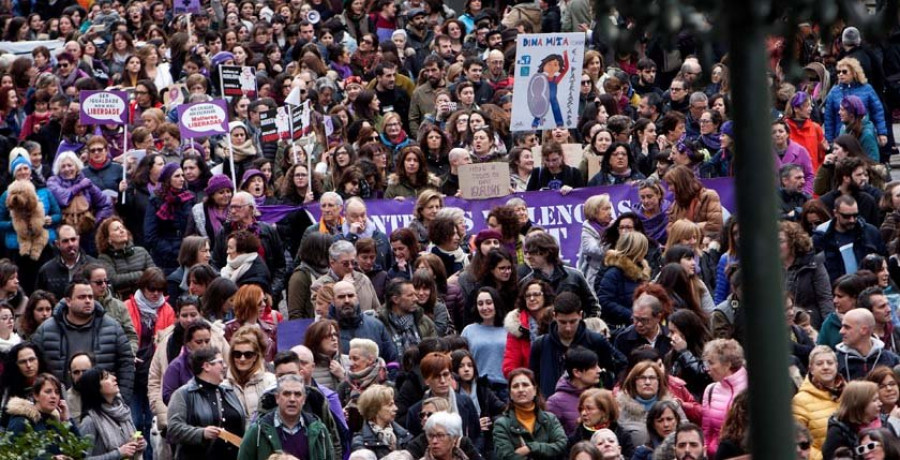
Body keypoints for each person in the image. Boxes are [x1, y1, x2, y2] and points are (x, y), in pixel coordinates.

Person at [31, 278, 135, 399]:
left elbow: (126, 364)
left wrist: (122, 399)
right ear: (68, 301)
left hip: (103, 404)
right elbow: (34, 368)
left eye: (90, 297)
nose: (88, 301)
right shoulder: (46, 330)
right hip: (60, 404)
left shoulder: (112, 327)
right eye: (82, 297)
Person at [530, 292, 625, 398]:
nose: (568, 328)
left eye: (573, 321)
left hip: (590, 406)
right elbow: (533, 379)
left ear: (580, 315)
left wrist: (612, 389)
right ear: (554, 316)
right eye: (563, 322)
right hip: (551, 406)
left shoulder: (596, 341)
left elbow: (621, 364)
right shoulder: (541, 345)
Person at [167, 346, 246, 460]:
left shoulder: (229, 392)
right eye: (220, 362)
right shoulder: (184, 394)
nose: (224, 366)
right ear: (207, 366)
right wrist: (201, 433)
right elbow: (174, 429)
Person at [237, 374, 335, 460]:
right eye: (286, 394)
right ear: (277, 398)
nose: (292, 399)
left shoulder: (319, 431)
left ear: (304, 399)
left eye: (297, 394)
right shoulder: (258, 431)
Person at [210, 191, 285, 299]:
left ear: (250, 208)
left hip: (265, 295)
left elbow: (280, 266)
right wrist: (227, 288)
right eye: (231, 207)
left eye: (237, 207)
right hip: (233, 296)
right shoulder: (224, 232)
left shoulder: (267, 231)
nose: (233, 211)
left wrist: (271, 292)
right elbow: (215, 264)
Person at [492, 368, 568, 460]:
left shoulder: (550, 419)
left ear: (535, 390)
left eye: (525, 385)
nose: (520, 389)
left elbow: (562, 445)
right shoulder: (502, 424)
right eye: (515, 386)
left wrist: (530, 447)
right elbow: (506, 456)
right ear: (510, 394)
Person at [520, 232, 600, 318]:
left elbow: (593, 307)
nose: (528, 257)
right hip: (542, 330)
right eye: (526, 253)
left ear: (546, 252)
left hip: (573, 328)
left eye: (532, 253)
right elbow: (522, 313)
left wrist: (585, 327)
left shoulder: (574, 276)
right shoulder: (526, 283)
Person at [75, 368, 147, 460]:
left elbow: (131, 443)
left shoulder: (122, 411)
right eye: (106, 377)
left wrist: (141, 444)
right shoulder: (90, 421)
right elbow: (82, 458)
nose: (114, 378)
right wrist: (118, 453)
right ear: (95, 387)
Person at [812, 195, 886, 283]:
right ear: (835, 213)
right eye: (846, 216)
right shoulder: (822, 238)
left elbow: (883, 260)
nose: (852, 220)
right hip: (837, 291)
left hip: (867, 288)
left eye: (855, 215)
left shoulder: (870, 233)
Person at [615, 361, 688, 448]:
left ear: (659, 381)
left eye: (652, 378)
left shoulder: (672, 405)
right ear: (634, 381)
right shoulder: (620, 408)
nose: (647, 382)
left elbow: (687, 433)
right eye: (642, 378)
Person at [5, 373, 80, 454]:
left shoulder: (54, 422)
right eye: (48, 392)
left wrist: (67, 420)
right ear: (36, 395)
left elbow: (79, 452)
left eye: (57, 392)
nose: (54, 396)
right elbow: (12, 454)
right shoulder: (20, 420)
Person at [781, 221, 835, 330]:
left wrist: (829, 328)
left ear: (793, 242)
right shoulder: (769, 267)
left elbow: (825, 298)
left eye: (780, 241)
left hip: (809, 325)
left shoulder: (813, 263)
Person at [328, 281, 398, 363]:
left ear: (357, 297)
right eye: (341, 297)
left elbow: (392, 359)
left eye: (350, 296)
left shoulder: (376, 326)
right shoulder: (325, 330)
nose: (347, 300)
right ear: (332, 301)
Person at [700, 338, 748, 458]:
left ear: (727, 364)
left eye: (711, 363)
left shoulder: (751, 389)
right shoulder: (710, 390)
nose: (707, 369)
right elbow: (706, 430)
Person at [595, 232, 651, 330]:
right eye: (643, 249)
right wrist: (631, 315)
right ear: (635, 250)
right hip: (619, 328)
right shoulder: (614, 273)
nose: (646, 252)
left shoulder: (642, 271)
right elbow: (604, 301)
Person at [821, 381, 891, 459]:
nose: (880, 403)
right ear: (860, 404)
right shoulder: (838, 432)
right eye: (874, 400)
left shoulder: (885, 423)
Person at [502, 279, 554, 378]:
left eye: (536, 294)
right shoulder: (517, 326)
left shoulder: (556, 321)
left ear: (545, 296)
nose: (532, 298)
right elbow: (510, 366)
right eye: (528, 296)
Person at [312, 240, 382, 313]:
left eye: (353, 262)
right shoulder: (319, 285)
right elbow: (323, 314)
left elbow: (377, 310)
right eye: (345, 264)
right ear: (332, 263)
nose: (351, 267)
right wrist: (343, 286)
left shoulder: (363, 279)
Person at [95, 216, 155, 299]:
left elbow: (154, 275)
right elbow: (114, 280)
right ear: (108, 239)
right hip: (122, 300)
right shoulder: (105, 258)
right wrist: (141, 274)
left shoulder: (141, 251)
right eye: (116, 229)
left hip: (146, 297)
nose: (122, 231)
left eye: (122, 227)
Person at [546, 346, 602, 434]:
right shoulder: (555, 403)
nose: (599, 370)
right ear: (577, 372)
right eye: (593, 367)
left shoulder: (600, 396)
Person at [35, 225, 97, 300]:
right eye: (65, 241)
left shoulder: (93, 266)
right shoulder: (46, 271)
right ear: (57, 244)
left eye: (73, 240)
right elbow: (39, 300)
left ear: (78, 240)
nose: (70, 244)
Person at [835, 309, 900, 380]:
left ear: (864, 330)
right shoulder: (836, 361)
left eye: (847, 327)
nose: (841, 331)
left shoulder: (891, 360)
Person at [351, 384, 413, 458]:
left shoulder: (403, 434)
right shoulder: (360, 442)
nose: (396, 408)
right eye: (390, 405)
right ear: (375, 409)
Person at [377, 279, 438, 353]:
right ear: (395, 299)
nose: (416, 299)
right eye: (410, 295)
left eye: (415, 294)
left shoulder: (424, 321)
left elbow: (435, 351)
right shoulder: (379, 325)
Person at [613, 287, 672, 360]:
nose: (639, 324)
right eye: (636, 319)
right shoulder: (623, 339)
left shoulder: (671, 337)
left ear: (658, 317)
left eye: (644, 320)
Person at [335, 197, 393, 270]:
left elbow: (390, 266)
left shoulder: (381, 237)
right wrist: (351, 236)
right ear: (345, 216)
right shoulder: (338, 239)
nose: (360, 220)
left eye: (363, 215)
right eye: (354, 216)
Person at [223, 285, 277, 362]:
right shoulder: (228, 329)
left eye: (264, 300)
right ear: (247, 304)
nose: (264, 305)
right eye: (259, 303)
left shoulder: (272, 329)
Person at [303, 319, 349, 392]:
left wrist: (343, 376)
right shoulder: (308, 368)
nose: (334, 339)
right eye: (328, 335)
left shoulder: (349, 361)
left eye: (335, 334)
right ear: (316, 340)